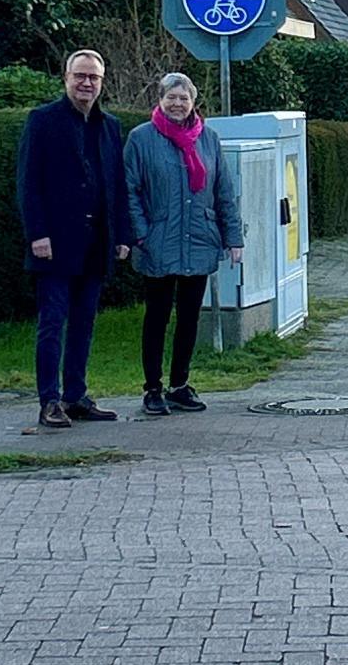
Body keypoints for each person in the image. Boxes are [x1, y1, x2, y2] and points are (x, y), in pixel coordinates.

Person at [17, 50, 131, 429]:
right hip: (55, 241)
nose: (87, 83)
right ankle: (49, 400)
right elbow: (29, 183)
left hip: (96, 241)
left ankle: (76, 396)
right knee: (53, 321)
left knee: (84, 322)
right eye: (80, 76)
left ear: (102, 82)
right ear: (66, 78)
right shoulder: (43, 121)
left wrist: (121, 235)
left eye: (93, 78)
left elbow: (116, 184)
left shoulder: (109, 126)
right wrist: (38, 234)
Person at [124, 72, 243, 416]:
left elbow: (223, 192)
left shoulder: (209, 139)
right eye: (171, 98)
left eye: (183, 98)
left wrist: (233, 237)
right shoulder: (141, 139)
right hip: (158, 242)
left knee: (190, 316)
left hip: (199, 240)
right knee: (157, 316)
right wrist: (141, 233)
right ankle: (152, 388)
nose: (177, 104)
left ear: (194, 102)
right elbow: (129, 190)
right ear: (160, 100)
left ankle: (179, 384)